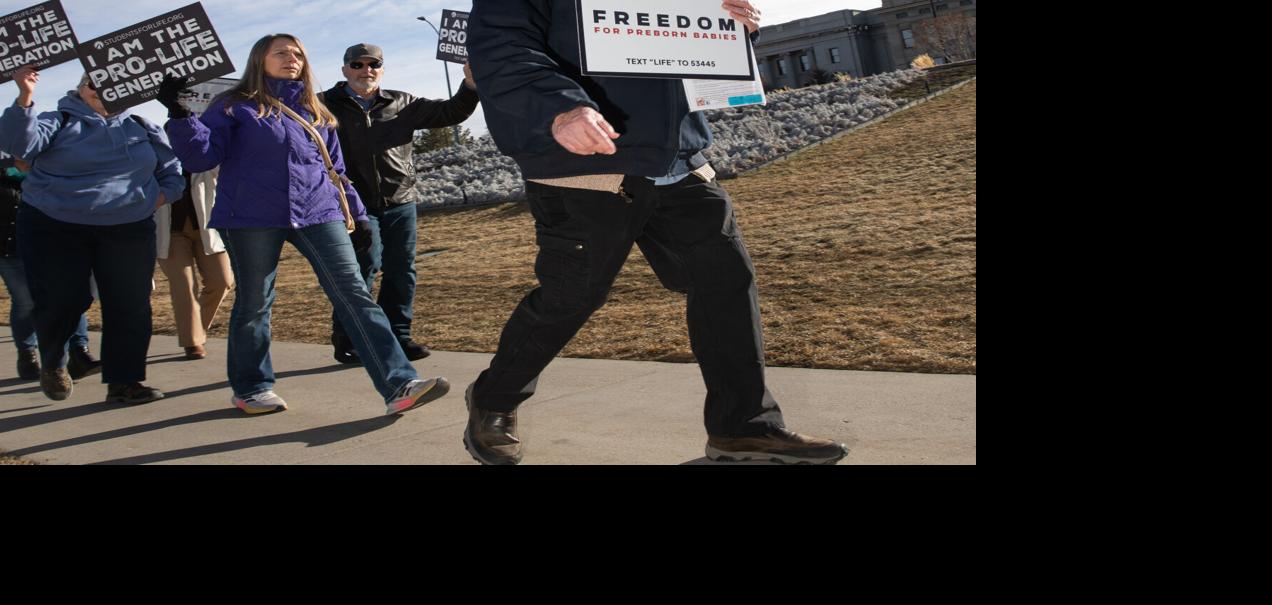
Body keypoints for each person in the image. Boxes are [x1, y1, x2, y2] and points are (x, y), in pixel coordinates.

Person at [461, 0, 849, 465]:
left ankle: (743, 428)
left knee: (724, 283)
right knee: (572, 295)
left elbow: (681, 39)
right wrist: (559, 107)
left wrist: (732, 30)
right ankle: (494, 398)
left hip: (677, 157)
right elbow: (501, 47)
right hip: (582, 161)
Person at [160, 34, 448, 416]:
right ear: (259, 60)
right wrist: (180, 116)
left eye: (297, 53)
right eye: (281, 52)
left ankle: (399, 384)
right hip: (250, 216)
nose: (291, 58)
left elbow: (336, 170)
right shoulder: (233, 106)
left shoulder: (316, 111)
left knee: (354, 293)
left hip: (318, 211)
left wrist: (359, 215)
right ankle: (252, 389)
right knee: (255, 301)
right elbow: (201, 158)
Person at [0, 66, 184, 404]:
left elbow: (171, 171)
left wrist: (159, 196)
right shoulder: (58, 120)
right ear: (81, 89)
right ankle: (54, 361)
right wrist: (25, 95)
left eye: (114, 83)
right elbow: (17, 144)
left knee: (129, 304)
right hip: (55, 224)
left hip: (128, 226)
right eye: (94, 83)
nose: (103, 90)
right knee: (62, 299)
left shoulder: (141, 125)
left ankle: (124, 382)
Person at [319, 44, 481, 363]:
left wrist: (471, 85)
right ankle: (348, 338)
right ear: (344, 70)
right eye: (357, 64)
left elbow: (451, 112)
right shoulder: (323, 105)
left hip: (400, 201)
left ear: (381, 69)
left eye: (374, 64)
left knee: (401, 269)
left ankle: (399, 337)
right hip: (353, 204)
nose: (366, 70)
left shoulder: (401, 102)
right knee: (363, 268)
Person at [0, 165, 100, 381]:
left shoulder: (55, 165)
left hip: (55, 247)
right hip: (10, 250)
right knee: (26, 301)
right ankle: (27, 354)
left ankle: (79, 353)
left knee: (70, 297)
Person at [155, 168, 233, 359]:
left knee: (222, 281)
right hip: (169, 230)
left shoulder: (205, 147)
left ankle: (196, 329)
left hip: (208, 223)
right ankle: (193, 342)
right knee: (184, 285)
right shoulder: (157, 149)